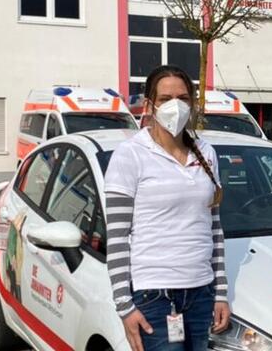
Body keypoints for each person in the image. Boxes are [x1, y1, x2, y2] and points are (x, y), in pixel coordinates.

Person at [104, 65, 230, 351]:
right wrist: (124, 306)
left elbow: (214, 229)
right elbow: (117, 237)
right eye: (165, 98)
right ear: (150, 105)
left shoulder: (206, 152)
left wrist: (221, 293)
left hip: (201, 292)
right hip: (154, 296)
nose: (176, 105)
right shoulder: (130, 154)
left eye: (183, 98)